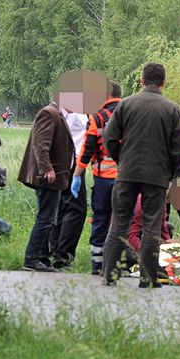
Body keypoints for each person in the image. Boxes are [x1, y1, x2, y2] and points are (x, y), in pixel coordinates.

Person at [101, 62, 180, 288]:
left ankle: (109, 275)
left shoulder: (126, 104)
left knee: (119, 223)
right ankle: (148, 278)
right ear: (163, 82)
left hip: (127, 173)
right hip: (157, 177)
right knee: (151, 227)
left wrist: (121, 160)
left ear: (142, 80)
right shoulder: (172, 109)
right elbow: (178, 149)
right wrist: (169, 172)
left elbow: (109, 137)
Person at [18, 96, 75, 272]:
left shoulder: (57, 115)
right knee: (46, 218)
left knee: (49, 218)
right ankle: (32, 259)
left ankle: (41, 258)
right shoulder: (49, 113)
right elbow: (40, 144)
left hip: (54, 177)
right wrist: (46, 168)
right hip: (48, 177)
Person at [71, 81, 122, 274]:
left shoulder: (98, 117)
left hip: (103, 178)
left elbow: (87, 148)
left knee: (100, 219)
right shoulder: (130, 114)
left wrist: (77, 174)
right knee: (122, 220)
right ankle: (118, 263)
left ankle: (98, 264)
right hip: (126, 178)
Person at [48, 103, 89, 269]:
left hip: (70, 164)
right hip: (72, 165)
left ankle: (55, 251)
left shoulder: (78, 110)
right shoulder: (73, 113)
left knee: (63, 208)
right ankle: (62, 255)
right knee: (77, 209)